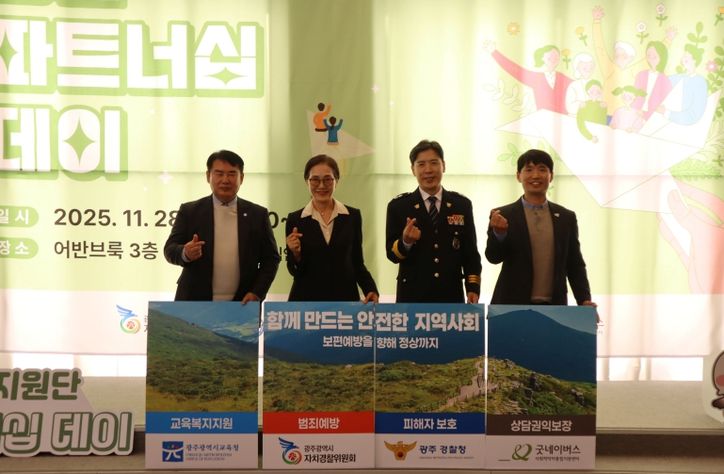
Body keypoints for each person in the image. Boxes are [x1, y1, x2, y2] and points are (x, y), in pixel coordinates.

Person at [164, 149, 280, 302]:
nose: (225, 180)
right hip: (195, 302)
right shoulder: (190, 211)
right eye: (219, 174)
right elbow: (170, 249)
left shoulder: (257, 214)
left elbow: (271, 259)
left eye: (232, 174)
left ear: (241, 178)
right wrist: (185, 252)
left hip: (242, 303)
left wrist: (257, 292)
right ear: (208, 176)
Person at [485, 149, 596, 307]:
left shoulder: (566, 217)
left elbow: (574, 263)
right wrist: (499, 234)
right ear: (518, 176)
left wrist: (583, 299)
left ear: (551, 176)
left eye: (542, 169)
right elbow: (493, 257)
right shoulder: (502, 215)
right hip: (512, 306)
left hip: (554, 308)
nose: (536, 175)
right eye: (529, 170)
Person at [386, 139, 482, 303]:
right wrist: (406, 242)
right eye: (421, 164)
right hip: (412, 298)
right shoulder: (399, 206)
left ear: (443, 165)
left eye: (434, 163)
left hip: (450, 296)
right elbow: (392, 255)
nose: (428, 170)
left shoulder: (461, 205)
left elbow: (470, 253)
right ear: (413, 169)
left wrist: (472, 287)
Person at [285, 155, 379, 302]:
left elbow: (357, 262)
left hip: (344, 300)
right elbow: (294, 271)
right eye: (315, 180)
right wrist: (295, 254)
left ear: (337, 181)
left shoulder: (352, 216)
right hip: (306, 302)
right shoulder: (295, 219)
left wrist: (370, 289)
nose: (321, 185)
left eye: (328, 179)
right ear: (306, 182)